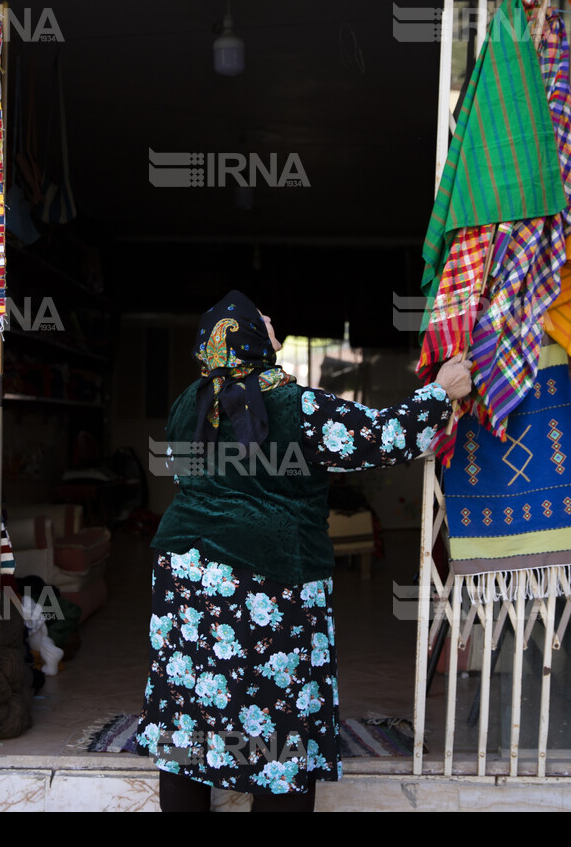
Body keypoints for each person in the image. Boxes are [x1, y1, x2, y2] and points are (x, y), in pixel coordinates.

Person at [134, 290, 472, 812]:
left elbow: (189, 475)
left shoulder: (189, 401)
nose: (273, 323)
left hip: (186, 575)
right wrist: (440, 391)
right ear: (247, 336)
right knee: (279, 720)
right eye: (264, 321)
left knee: (190, 719)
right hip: (270, 579)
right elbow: (380, 438)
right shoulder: (297, 406)